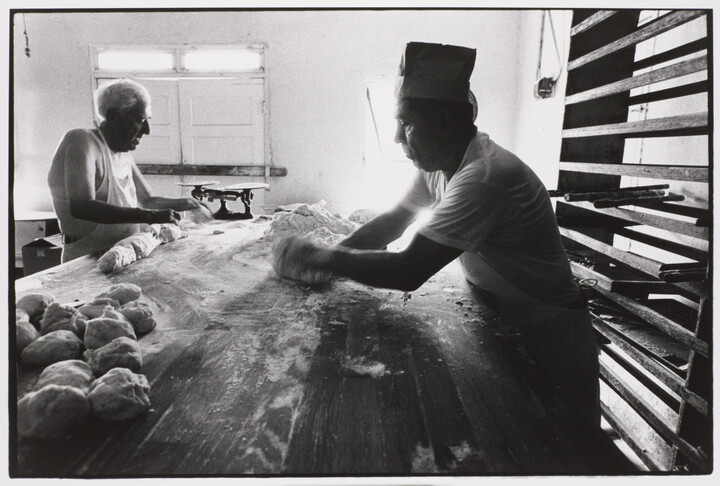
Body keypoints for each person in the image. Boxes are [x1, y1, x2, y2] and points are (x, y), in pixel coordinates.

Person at [273, 42, 600, 426]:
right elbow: (393, 221)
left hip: (547, 338)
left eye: (406, 123)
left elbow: (408, 270)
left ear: (445, 122)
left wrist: (321, 258)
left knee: (562, 452)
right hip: (505, 321)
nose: (397, 137)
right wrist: (332, 257)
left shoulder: (485, 176)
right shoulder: (439, 165)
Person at [48, 79, 213, 262]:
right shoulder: (81, 141)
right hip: (85, 258)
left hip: (124, 252)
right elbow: (82, 206)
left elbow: (148, 200)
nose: (147, 130)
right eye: (140, 120)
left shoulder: (122, 154)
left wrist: (188, 202)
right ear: (113, 116)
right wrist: (150, 216)